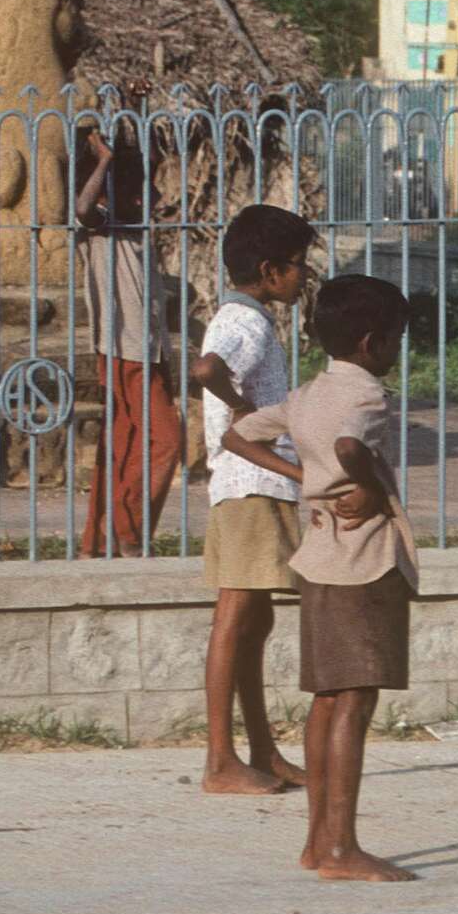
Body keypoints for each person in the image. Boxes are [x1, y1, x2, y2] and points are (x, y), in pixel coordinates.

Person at [226, 274, 416, 881]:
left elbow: (237, 434)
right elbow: (351, 447)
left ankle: (317, 843)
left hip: (318, 560)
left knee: (326, 700)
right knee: (354, 704)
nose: (396, 350)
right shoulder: (368, 397)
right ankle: (341, 849)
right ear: (371, 342)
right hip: (365, 564)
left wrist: (307, 480)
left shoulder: (307, 394)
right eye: (395, 339)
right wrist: (365, 484)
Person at [191, 203, 320, 794]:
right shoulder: (246, 323)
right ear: (270, 271)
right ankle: (220, 761)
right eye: (298, 264)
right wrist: (243, 411)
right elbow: (207, 370)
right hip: (248, 485)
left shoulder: (245, 317)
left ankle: (261, 750)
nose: (303, 275)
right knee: (235, 616)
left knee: (256, 620)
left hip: (258, 485)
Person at [76, 86, 181, 557]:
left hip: (147, 350)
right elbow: (83, 208)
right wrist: (103, 162)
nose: (153, 199)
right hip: (124, 350)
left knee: (125, 444)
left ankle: (101, 539)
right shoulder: (103, 228)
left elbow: (149, 162)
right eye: (142, 193)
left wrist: (134, 114)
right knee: (165, 441)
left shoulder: (136, 231)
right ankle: (129, 527)